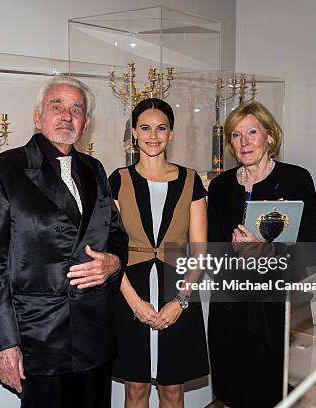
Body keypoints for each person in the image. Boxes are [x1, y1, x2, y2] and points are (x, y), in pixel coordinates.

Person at [0, 76, 129, 408]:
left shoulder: (95, 169)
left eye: (76, 109)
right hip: (39, 338)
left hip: (95, 334)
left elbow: (116, 235)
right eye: (56, 105)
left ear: (86, 123)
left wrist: (114, 263)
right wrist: (4, 344)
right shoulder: (5, 170)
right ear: (38, 115)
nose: (66, 115)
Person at [206, 100, 316, 407]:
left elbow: (314, 251)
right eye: (235, 135)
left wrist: (267, 250)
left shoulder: (297, 179)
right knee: (233, 393)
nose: (244, 142)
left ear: (270, 136)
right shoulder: (219, 188)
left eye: (252, 132)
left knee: (282, 394)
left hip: (280, 310)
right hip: (231, 312)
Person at [109, 98, 209, 408]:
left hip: (177, 290)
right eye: (145, 128)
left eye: (161, 128)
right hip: (129, 292)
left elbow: (200, 252)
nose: (154, 135)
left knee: (172, 391)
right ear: (134, 133)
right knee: (135, 390)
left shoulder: (191, 180)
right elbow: (108, 250)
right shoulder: (117, 180)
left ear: (171, 134)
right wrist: (135, 304)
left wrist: (180, 302)